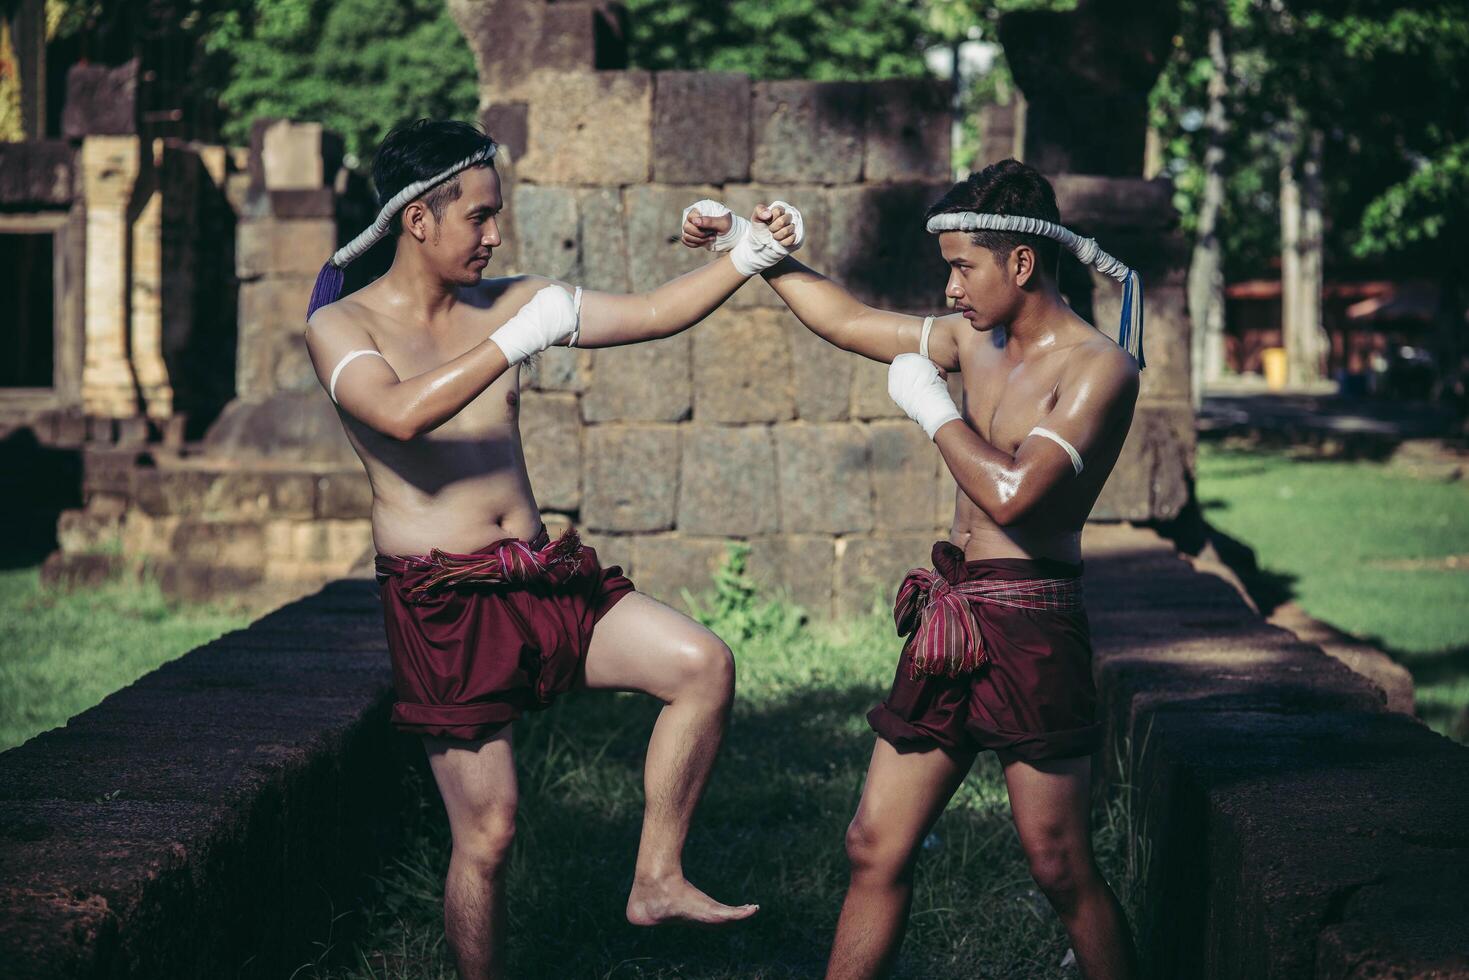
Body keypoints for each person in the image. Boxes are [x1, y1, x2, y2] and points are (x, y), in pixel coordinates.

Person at [305, 119, 800, 979]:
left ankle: (656, 877)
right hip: (441, 602)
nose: (495, 235)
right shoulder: (341, 327)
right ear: (418, 219)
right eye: (480, 217)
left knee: (700, 665)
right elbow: (398, 414)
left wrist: (747, 255)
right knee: (488, 833)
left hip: (539, 578)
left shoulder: (509, 300)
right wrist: (515, 339)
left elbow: (651, 315)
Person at [681, 158, 1141, 979]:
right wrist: (753, 249)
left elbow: (1013, 496)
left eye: (964, 267)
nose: (953, 289)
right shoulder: (974, 337)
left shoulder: (1097, 367)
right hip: (950, 617)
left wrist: (931, 409)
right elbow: (851, 321)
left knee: (1058, 865)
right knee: (872, 843)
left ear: (1021, 263)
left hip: (1032, 626)